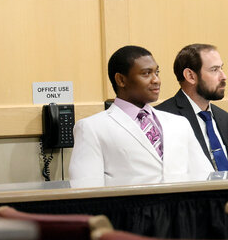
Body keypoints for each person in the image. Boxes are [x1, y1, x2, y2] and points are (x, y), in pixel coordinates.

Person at [68, 46, 212, 180]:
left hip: (181, 207)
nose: (156, 80)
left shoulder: (179, 123)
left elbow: (204, 176)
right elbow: (86, 189)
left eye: (156, 72)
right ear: (121, 80)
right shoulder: (92, 128)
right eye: (146, 73)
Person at [156, 44, 228, 170]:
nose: (224, 76)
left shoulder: (226, 120)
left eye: (221, 68)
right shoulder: (163, 118)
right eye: (214, 70)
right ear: (190, 76)